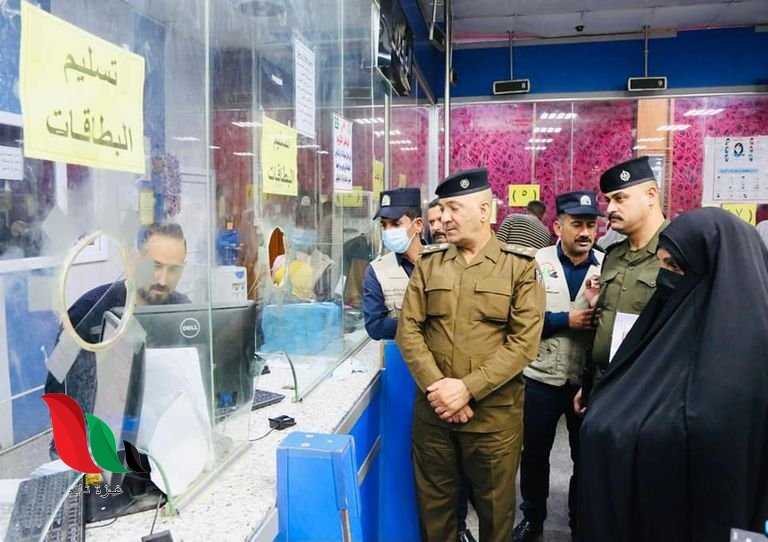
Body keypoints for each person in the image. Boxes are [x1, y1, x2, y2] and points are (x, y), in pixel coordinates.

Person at [578, 207, 768, 541]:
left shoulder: (752, 361)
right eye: (662, 266)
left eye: (675, 267)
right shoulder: (663, 328)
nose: (665, 278)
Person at [396, 168, 545, 542]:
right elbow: (408, 331)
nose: (444, 218)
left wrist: (467, 389)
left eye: (454, 208)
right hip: (434, 418)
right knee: (435, 515)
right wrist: (440, 389)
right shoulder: (430, 263)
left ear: (483, 210)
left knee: (496, 514)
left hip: (492, 420)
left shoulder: (519, 266)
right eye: (442, 208)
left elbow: (523, 343)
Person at [512, 191, 604, 542]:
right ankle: (532, 517)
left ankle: (580, 520)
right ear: (557, 226)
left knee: (586, 456)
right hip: (540, 377)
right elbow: (519, 318)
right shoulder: (534, 263)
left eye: (591, 225)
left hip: (586, 379)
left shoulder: (607, 266)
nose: (585, 232)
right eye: (577, 224)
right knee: (535, 454)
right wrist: (567, 319)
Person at [44, 222, 190, 422]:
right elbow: (56, 384)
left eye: (174, 269)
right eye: (155, 266)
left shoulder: (183, 311)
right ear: (135, 260)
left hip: (159, 426)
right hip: (98, 431)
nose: (162, 280)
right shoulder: (90, 309)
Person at [574, 156, 668, 412]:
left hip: (650, 392)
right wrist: (588, 385)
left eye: (619, 198)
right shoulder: (613, 255)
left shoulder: (677, 252)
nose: (609, 209)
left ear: (650, 195)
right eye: (608, 200)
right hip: (603, 384)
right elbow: (608, 323)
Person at [362, 188, 425, 341]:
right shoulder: (376, 270)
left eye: (396, 224)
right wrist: (428, 323)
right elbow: (375, 327)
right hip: (400, 352)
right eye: (384, 225)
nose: (388, 231)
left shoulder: (442, 261)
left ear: (417, 225)